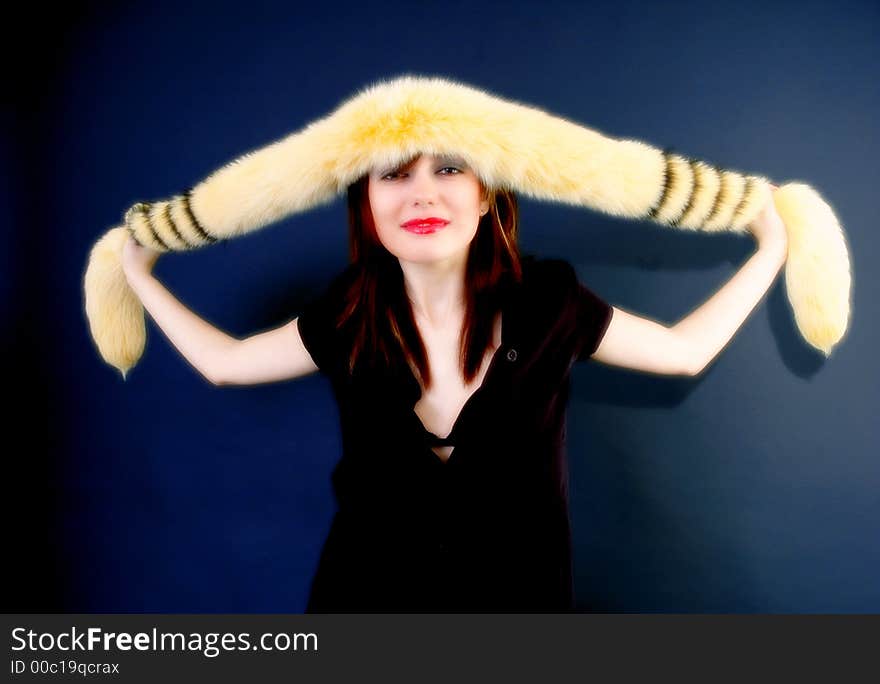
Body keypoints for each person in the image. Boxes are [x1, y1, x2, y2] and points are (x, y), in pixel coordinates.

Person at [121, 152, 788, 613]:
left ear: (488, 191)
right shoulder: (345, 315)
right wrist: (139, 276)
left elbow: (683, 351)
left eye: (447, 167)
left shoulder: (551, 303)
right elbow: (226, 362)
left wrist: (772, 250)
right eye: (394, 174)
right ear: (367, 202)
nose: (423, 193)